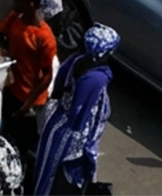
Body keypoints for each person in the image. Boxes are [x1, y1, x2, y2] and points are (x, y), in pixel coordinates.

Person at [32, 24, 120, 196]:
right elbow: (78, 112)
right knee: (57, 174)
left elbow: (59, 85)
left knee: (44, 168)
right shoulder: (97, 77)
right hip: (69, 130)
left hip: (55, 119)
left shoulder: (77, 60)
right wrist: (83, 138)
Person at [0, 0, 58, 154]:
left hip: (27, 99)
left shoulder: (44, 37)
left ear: (31, 4)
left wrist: (26, 106)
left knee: (22, 142)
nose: (13, 2)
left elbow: (47, 76)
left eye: (18, 0)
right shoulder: (15, 17)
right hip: (10, 88)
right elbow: (0, 34)